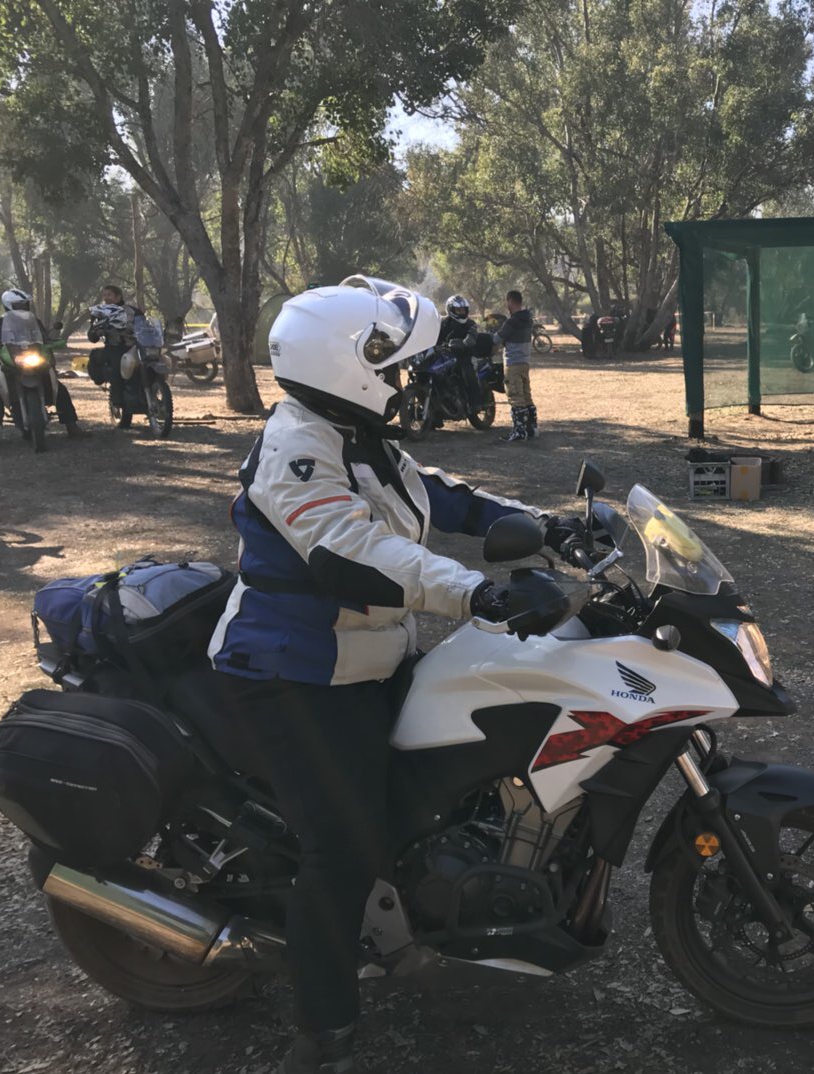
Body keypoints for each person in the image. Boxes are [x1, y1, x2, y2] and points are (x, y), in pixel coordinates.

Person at [203, 276, 590, 1073]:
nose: (405, 377)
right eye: (392, 364)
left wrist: (545, 525)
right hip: (294, 671)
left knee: (446, 777)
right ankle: (323, 1033)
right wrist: (477, 592)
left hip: (366, 654)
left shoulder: (356, 433)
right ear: (347, 365)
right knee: (344, 845)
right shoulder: (297, 448)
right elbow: (353, 553)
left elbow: (437, 494)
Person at [0, 288, 87, 445]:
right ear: (8, 305)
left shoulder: (34, 321)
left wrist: (51, 343)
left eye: (25, 304)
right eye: (19, 304)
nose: (23, 307)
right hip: (10, 363)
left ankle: (72, 426)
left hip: (34, 360)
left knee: (59, 389)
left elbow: (43, 338)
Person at [87, 284, 147, 428]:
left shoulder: (133, 311)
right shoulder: (100, 313)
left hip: (134, 347)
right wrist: (97, 331)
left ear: (118, 297)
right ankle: (117, 400)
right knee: (115, 366)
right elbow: (92, 335)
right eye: (105, 295)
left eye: (109, 295)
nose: (106, 298)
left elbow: (145, 327)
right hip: (114, 347)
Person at [491, 289, 536, 442]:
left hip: (513, 363)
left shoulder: (511, 322)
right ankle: (531, 428)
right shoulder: (527, 319)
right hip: (525, 362)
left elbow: (496, 339)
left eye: (507, 302)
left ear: (510, 301)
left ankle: (519, 431)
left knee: (515, 396)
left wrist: (492, 334)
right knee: (526, 395)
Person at [435, 294, 485, 421]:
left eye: (463, 310)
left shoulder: (470, 323)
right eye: (458, 310)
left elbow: (471, 337)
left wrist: (464, 343)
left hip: (466, 355)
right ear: (451, 310)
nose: (462, 313)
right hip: (447, 356)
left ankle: (475, 403)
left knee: (467, 372)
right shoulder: (443, 323)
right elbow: (435, 337)